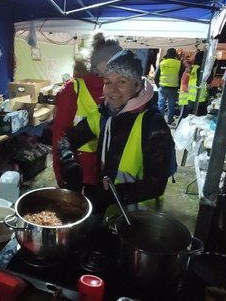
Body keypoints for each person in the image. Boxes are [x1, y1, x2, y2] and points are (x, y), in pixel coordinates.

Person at [57, 50, 174, 217]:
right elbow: (67, 138)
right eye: (107, 82)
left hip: (138, 218)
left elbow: (156, 184)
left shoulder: (153, 124)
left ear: (137, 85)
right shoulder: (105, 114)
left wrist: (114, 193)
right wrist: (69, 162)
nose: (112, 90)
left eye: (121, 82)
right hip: (108, 210)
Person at [52, 32, 122, 196]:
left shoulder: (122, 92)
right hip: (76, 170)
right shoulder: (73, 89)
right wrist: (60, 171)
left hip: (108, 172)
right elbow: (59, 135)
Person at [154, 48, 184, 124]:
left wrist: (158, 86)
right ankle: (169, 120)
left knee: (161, 105)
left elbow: (156, 76)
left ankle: (160, 121)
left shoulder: (162, 62)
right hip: (173, 87)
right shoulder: (179, 63)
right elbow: (181, 76)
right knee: (171, 105)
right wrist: (179, 86)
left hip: (163, 87)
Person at [186, 51, 208, 116]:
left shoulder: (194, 68)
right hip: (199, 99)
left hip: (191, 98)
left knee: (189, 119)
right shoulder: (201, 69)